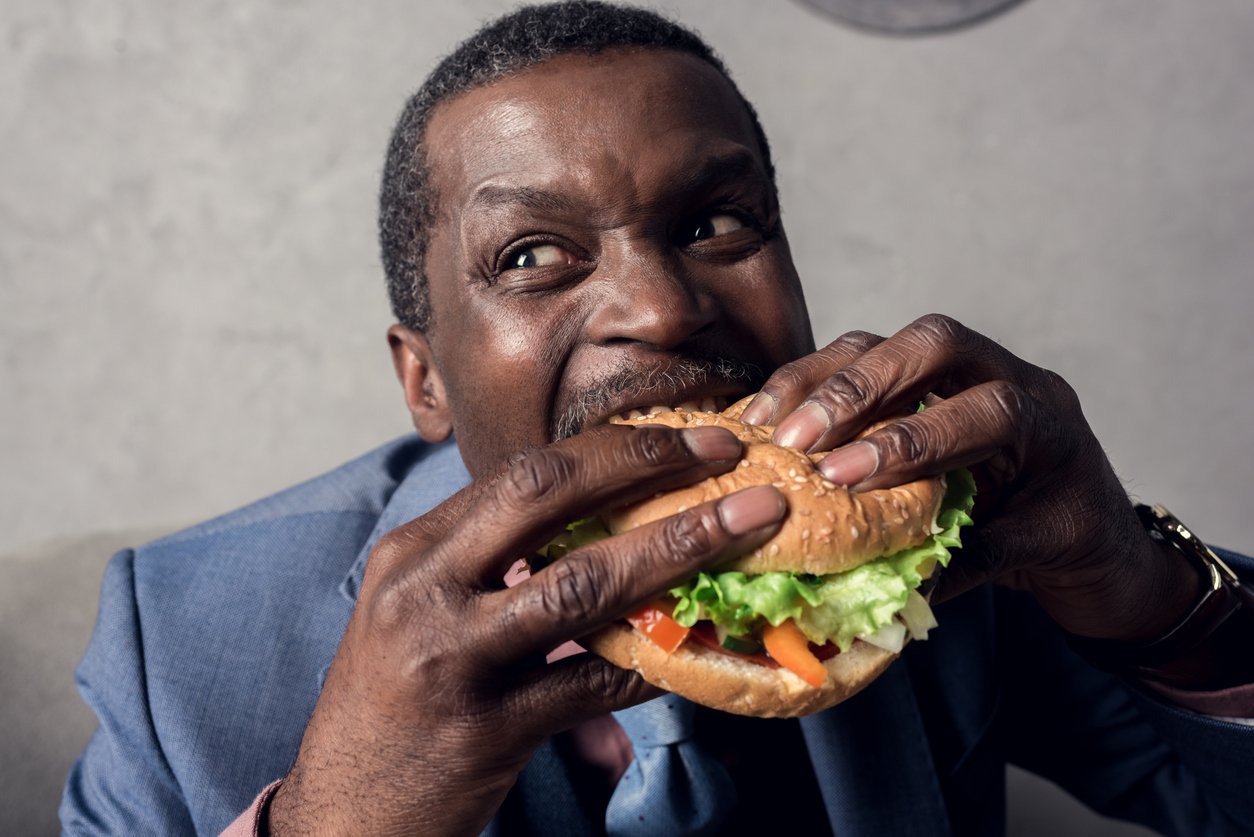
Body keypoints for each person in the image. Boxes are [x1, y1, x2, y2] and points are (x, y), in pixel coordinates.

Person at [61, 2, 1254, 835]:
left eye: (715, 224)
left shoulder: (949, 540)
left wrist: (1149, 586)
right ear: (424, 381)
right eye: (532, 254)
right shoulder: (182, 645)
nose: (663, 309)